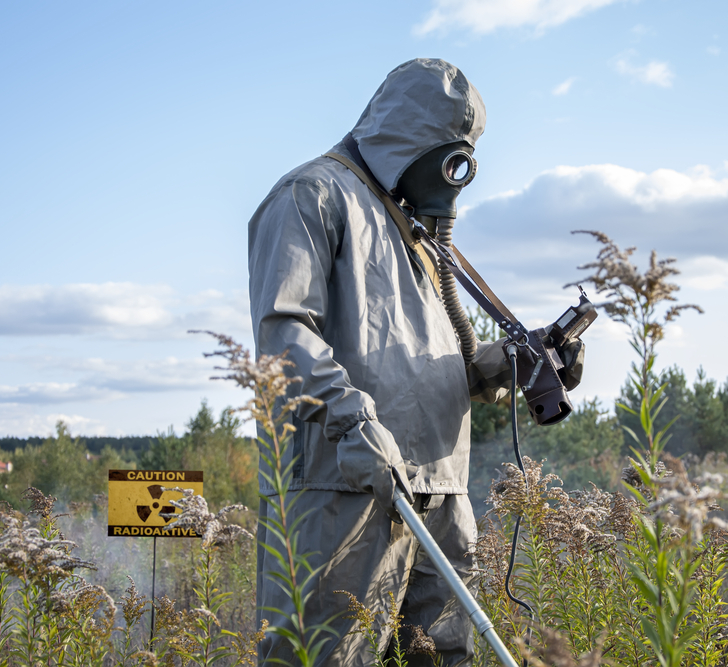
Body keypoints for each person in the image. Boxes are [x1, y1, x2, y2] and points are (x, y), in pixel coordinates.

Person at [248, 58, 580, 666]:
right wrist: (350, 418)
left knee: (443, 656)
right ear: (413, 138)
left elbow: (444, 360)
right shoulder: (313, 194)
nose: (461, 175)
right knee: (326, 655)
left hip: (440, 492)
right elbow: (283, 330)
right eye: (455, 155)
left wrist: (516, 362)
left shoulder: (415, 231)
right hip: (347, 488)